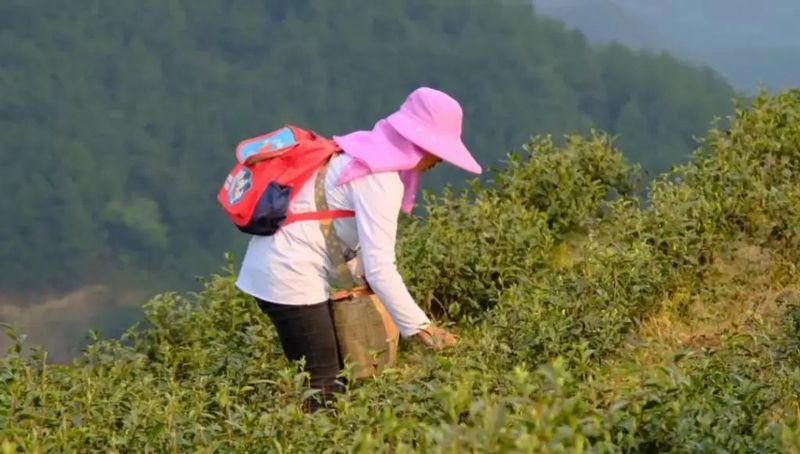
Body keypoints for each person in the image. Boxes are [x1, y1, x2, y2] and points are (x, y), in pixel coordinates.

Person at [235, 87, 482, 411]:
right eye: (439, 150)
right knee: (323, 387)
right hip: (288, 275)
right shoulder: (380, 178)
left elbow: (349, 244)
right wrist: (424, 330)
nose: (439, 161)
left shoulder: (363, 153)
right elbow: (380, 267)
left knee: (332, 381)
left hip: (277, 267)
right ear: (422, 144)